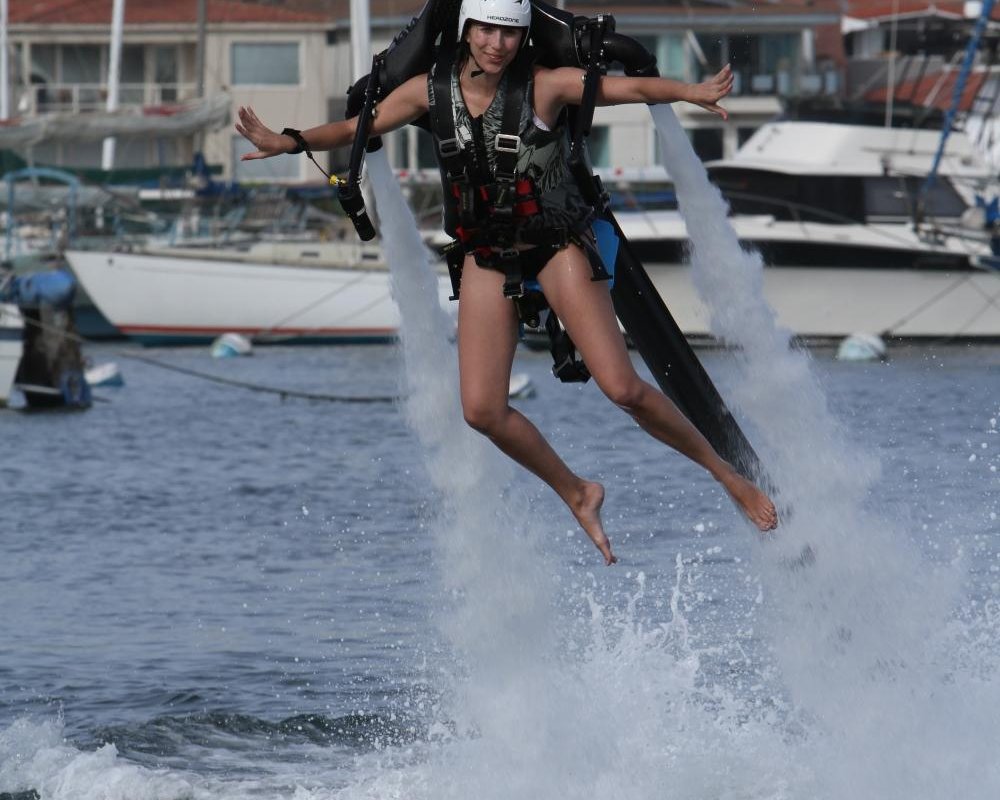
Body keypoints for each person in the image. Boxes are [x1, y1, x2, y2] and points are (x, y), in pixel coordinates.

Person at [236, 0, 778, 566]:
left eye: (511, 34)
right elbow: (355, 127)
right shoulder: (428, 91)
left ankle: (729, 476)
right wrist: (288, 141)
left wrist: (690, 92)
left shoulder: (545, 87)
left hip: (556, 246)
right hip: (485, 254)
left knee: (624, 389)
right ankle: (578, 492)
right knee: (481, 410)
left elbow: (631, 92)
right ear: (467, 31)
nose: (497, 44)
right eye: (488, 30)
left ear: (523, 39)